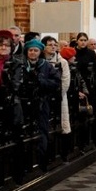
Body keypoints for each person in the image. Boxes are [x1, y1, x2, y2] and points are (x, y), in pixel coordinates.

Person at [21, 38, 61, 172]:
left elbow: (56, 83)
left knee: (42, 130)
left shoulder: (46, 65)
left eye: (35, 50)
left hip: (41, 102)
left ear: (40, 52)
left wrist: (41, 81)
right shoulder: (21, 65)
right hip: (24, 103)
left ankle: (41, 160)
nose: (32, 53)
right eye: (30, 50)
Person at [42, 35, 71, 135]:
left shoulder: (62, 62)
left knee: (59, 121)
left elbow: (65, 81)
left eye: (55, 45)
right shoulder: (41, 61)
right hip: (44, 95)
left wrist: (58, 94)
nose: (53, 47)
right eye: (50, 45)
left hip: (59, 96)